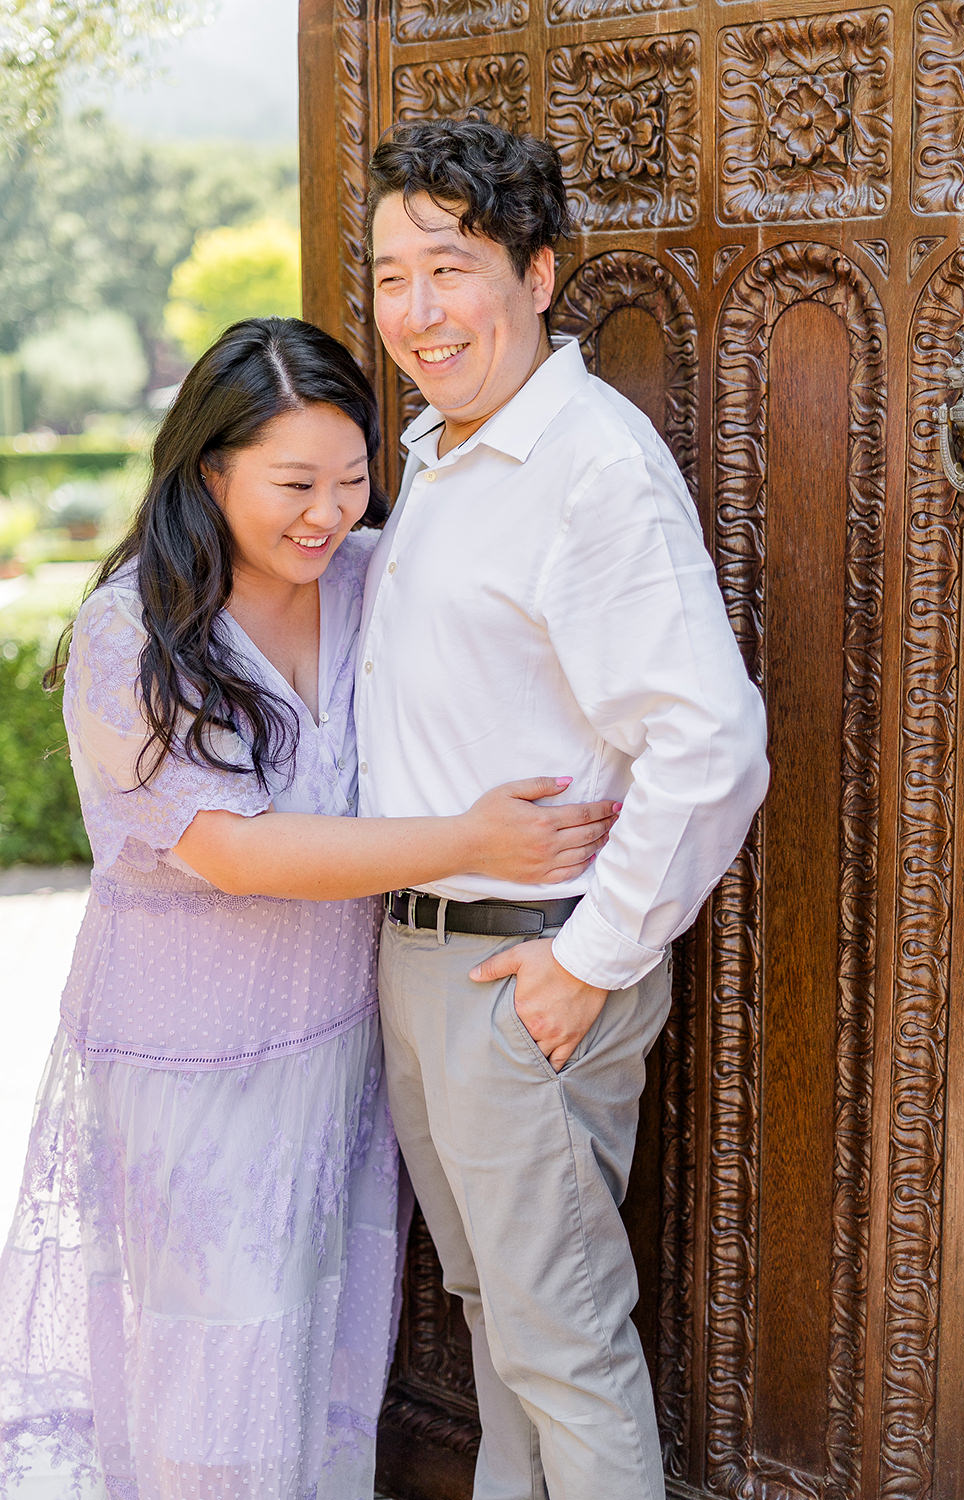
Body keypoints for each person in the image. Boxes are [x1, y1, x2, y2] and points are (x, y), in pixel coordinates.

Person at [0, 316, 619, 1500]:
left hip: (333, 1044)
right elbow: (236, 850)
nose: (327, 514)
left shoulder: (371, 576)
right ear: (209, 468)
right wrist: (471, 838)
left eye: (351, 479)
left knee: (313, 1350)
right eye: (294, 484)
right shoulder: (128, 633)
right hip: (186, 1063)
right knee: (209, 1367)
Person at [358, 119, 771, 1500]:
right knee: (502, 1320)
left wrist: (582, 963)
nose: (416, 311)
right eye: (390, 275)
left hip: (520, 963)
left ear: (536, 275)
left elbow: (710, 745)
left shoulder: (586, 466)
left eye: (450, 268)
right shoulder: (442, 449)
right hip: (426, 953)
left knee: (565, 1348)